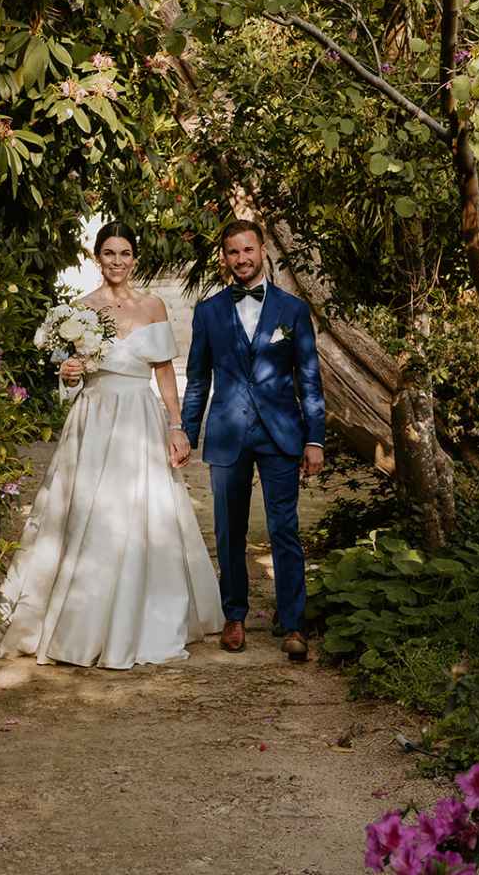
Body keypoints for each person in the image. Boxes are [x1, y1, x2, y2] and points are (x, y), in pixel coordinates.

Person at [0, 222, 224, 669]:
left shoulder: (153, 306)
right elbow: (68, 377)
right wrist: (69, 376)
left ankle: (142, 619)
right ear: (98, 258)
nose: (117, 261)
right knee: (85, 512)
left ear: (134, 259)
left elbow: (162, 374)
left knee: (143, 513)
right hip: (94, 418)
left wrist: (177, 427)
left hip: (140, 415)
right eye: (109, 253)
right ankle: (79, 620)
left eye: (125, 253)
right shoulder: (78, 310)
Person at [181, 220, 325, 661]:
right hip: (227, 435)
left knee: (285, 529)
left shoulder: (293, 310)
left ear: (262, 250)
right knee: (229, 530)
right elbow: (196, 379)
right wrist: (186, 434)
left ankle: (294, 623)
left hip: (281, 434)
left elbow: (309, 379)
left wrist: (314, 439)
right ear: (223, 257)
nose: (241, 259)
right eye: (232, 252)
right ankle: (234, 615)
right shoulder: (207, 312)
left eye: (248, 250)